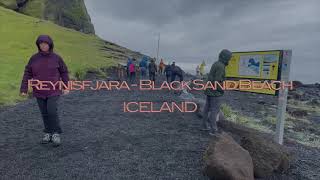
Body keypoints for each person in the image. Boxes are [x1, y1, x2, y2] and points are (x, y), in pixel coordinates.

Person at [20, 35, 70, 146]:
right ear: (38, 45)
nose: (43, 45)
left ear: (50, 44)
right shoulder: (34, 58)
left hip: (54, 89)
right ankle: (48, 132)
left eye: (45, 43)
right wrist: (24, 88)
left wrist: (66, 86)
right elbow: (27, 73)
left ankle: (56, 133)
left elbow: (64, 72)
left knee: (51, 111)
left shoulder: (56, 58)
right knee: (44, 113)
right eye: (41, 43)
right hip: (39, 91)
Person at [202, 49, 232, 135]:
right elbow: (217, 81)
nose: (229, 60)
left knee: (206, 109)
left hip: (209, 90)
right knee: (214, 111)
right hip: (215, 92)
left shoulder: (216, 63)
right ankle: (213, 130)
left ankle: (204, 126)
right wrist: (221, 90)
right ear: (225, 57)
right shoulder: (221, 66)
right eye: (229, 58)